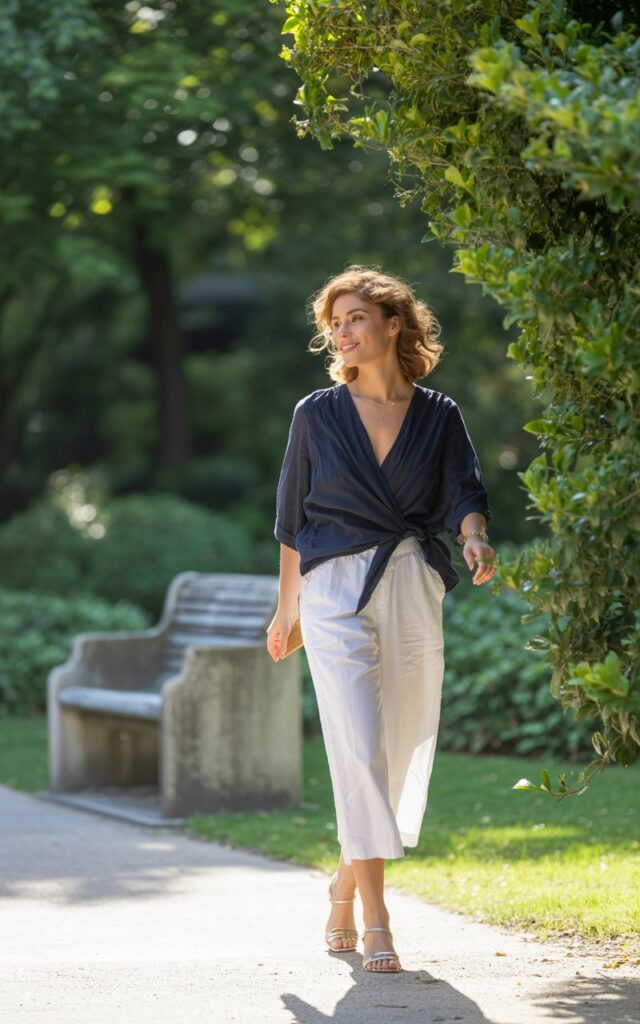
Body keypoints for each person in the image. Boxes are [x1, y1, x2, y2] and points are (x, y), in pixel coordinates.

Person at [266, 265, 496, 973]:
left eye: (355, 315)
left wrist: (475, 534)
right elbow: (291, 518)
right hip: (333, 592)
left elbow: (465, 488)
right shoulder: (316, 414)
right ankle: (377, 918)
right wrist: (289, 607)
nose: (341, 329)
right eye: (334, 320)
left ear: (394, 323)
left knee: (396, 749)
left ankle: (342, 884)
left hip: (410, 584)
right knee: (358, 746)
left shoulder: (440, 414)